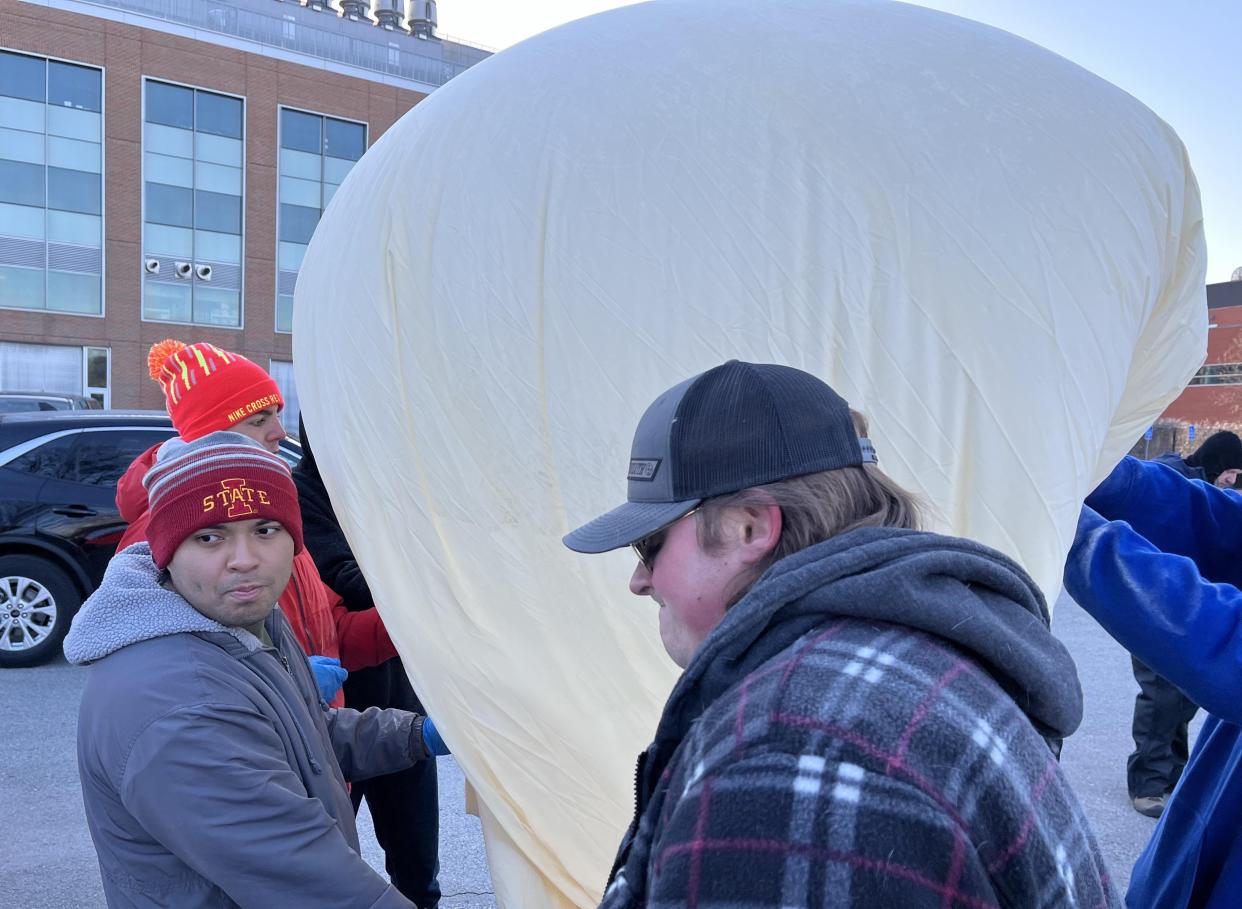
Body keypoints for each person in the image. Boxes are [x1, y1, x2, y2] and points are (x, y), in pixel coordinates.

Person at [562, 360, 1117, 908]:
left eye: (649, 544)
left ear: (749, 527)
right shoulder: (914, 657)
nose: (641, 580)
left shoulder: (787, 761)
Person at [64, 432, 449, 908]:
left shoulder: (241, 617)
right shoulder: (181, 708)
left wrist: (417, 735)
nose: (245, 560)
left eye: (265, 529)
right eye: (210, 537)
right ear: (165, 550)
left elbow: (305, 735)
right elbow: (316, 885)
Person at [115, 340, 397, 706]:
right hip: (253, 736)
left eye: (277, 416)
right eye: (260, 420)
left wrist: (414, 623)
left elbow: (333, 632)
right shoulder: (163, 527)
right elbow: (164, 675)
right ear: (212, 433)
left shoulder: (271, 515)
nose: (280, 432)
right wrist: (281, 683)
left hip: (312, 733)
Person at [1065, 453, 1242, 907]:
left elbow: (1221, 643)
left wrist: (1061, 520)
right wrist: (1092, 469)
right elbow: (1217, 525)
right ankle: (1150, 778)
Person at [293, 416, 441, 907]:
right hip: (334, 713)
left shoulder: (392, 491)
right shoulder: (301, 494)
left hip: (402, 703)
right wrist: (421, 595)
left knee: (418, 867)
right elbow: (344, 576)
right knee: (330, 865)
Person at [1125, 430, 1242, 817]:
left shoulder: (1207, 488)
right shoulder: (1173, 479)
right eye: (1232, 473)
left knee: (1184, 695)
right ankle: (1148, 784)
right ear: (1219, 463)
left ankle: (1171, 775)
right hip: (1153, 601)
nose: (1233, 481)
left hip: (1185, 605)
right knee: (1161, 694)